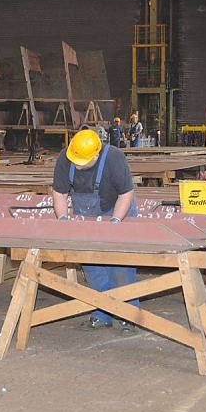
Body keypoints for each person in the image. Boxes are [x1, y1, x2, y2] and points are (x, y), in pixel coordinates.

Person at [52, 129, 139, 334]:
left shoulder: (114, 159)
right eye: (76, 161)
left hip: (117, 208)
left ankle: (127, 315)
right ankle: (102, 313)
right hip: (87, 214)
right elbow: (60, 193)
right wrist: (63, 221)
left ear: (96, 154)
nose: (78, 165)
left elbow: (126, 194)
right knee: (92, 265)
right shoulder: (66, 159)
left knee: (120, 266)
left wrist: (115, 222)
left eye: (83, 162)